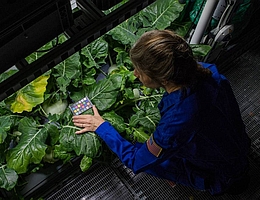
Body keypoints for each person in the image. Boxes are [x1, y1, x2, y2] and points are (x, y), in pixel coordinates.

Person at [72, 30, 251, 195]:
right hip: (236, 145)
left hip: (220, 173)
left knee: (156, 160)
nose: (135, 74)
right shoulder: (208, 72)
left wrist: (102, 127)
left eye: (140, 72)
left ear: (164, 79)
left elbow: (136, 161)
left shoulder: (175, 123)